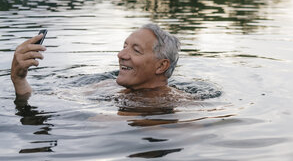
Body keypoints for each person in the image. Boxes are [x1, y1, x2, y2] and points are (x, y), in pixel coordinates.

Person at [11, 23, 181, 100]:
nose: (121, 54)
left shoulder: (175, 103)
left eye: (135, 50)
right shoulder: (109, 86)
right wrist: (19, 79)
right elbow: (46, 98)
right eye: (124, 46)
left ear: (161, 66)